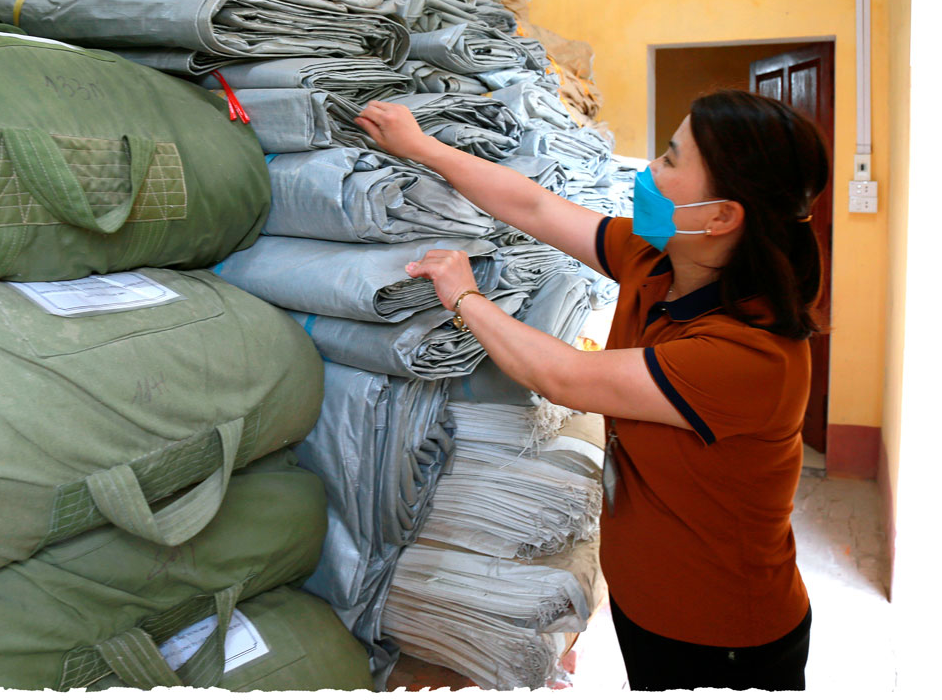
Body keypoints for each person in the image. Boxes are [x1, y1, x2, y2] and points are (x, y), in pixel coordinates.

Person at [354, 89, 829, 691]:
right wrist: (420, 145)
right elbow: (534, 207)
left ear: (720, 216)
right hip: (648, 605)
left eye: (671, 159)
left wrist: (465, 296)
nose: (649, 170)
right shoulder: (658, 262)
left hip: (723, 633)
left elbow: (562, 377)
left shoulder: (751, 357)